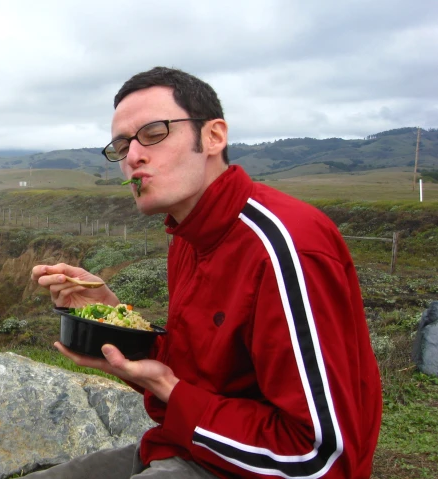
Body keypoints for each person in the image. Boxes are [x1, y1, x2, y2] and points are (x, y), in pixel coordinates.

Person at [29, 67, 382, 478]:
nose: (133, 157)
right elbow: (198, 373)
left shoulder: (284, 246)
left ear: (213, 137)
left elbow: (319, 457)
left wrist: (169, 391)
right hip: (188, 446)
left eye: (155, 132)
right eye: (122, 145)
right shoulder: (187, 237)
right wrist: (112, 319)